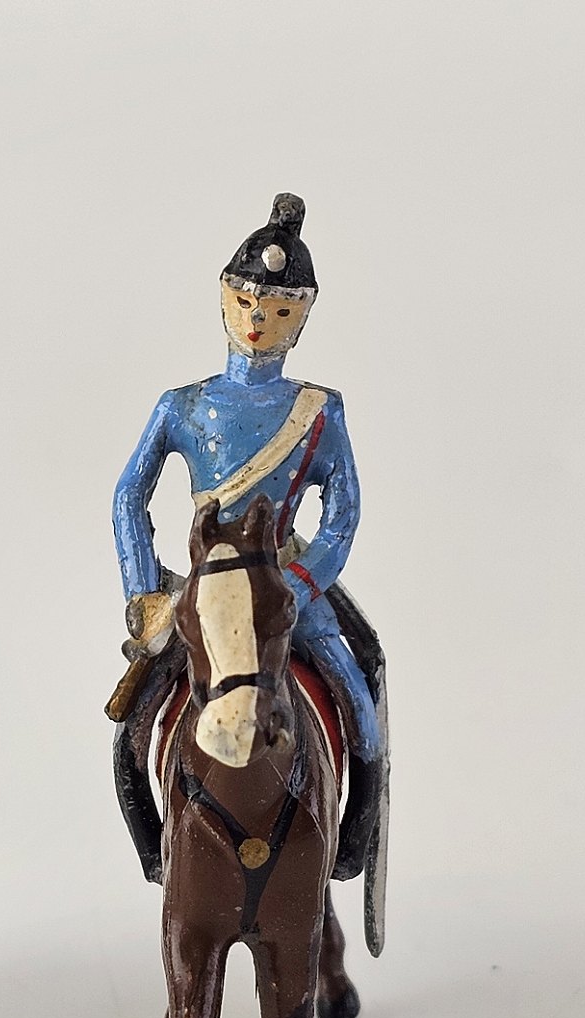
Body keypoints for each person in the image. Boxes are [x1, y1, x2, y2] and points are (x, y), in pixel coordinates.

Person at [111, 193, 381, 763]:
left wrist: (299, 586)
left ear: (301, 317)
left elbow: (343, 517)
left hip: (284, 579)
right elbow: (130, 494)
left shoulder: (319, 411)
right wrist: (143, 587)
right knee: (132, 735)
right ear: (225, 299)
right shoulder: (181, 406)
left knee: (361, 699)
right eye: (246, 303)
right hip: (206, 585)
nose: (258, 321)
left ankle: (361, 822)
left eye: (280, 311)